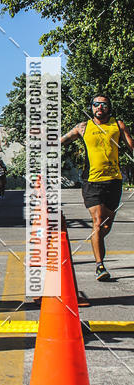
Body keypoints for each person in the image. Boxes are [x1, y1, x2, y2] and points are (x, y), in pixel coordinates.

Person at [61, 93, 133, 281]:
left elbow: (132, 146)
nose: (99, 107)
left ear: (109, 107)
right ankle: (99, 265)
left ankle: (98, 242)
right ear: (91, 107)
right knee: (98, 221)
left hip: (114, 181)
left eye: (103, 105)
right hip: (92, 182)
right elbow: (61, 141)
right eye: (96, 104)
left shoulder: (118, 125)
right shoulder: (83, 127)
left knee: (106, 225)